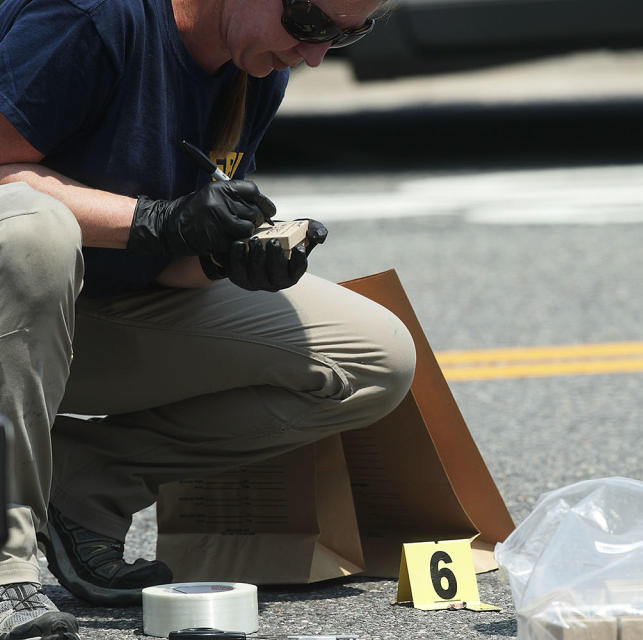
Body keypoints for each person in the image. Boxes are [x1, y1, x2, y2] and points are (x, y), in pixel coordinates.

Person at [0, 0, 417, 636]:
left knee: (372, 356)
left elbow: (164, 267)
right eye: (310, 24)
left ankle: (81, 486)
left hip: (69, 320)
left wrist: (223, 255)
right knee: (37, 230)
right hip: (15, 301)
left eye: (347, 33)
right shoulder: (89, 16)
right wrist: (153, 220)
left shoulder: (254, 65)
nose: (314, 55)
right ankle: (8, 568)